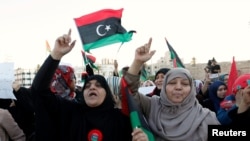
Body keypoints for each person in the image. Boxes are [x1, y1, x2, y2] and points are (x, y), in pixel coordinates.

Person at [31, 29, 149, 141]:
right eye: (87, 86)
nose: (92, 87)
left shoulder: (121, 119)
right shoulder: (71, 112)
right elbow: (39, 91)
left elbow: (128, 90)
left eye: (98, 85)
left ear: (107, 92)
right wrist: (55, 55)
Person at [123, 37, 220, 141]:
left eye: (185, 84)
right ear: (164, 87)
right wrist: (137, 62)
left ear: (191, 88)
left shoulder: (207, 118)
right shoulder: (153, 106)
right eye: (172, 83)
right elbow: (128, 92)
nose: (178, 87)